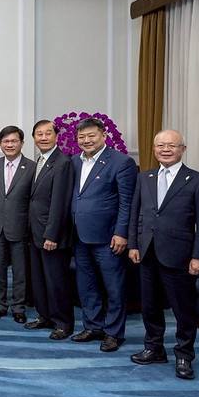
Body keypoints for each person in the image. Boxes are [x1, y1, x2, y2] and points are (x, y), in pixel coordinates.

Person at [128, 130, 199, 380]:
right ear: (154, 149)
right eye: (160, 145)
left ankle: (184, 355)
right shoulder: (144, 178)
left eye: (171, 145)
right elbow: (137, 215)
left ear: (182, 149)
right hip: (147, 253)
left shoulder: (198, 181)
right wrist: (133, 244)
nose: (165, 149)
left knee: (183, 309)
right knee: (150, 306)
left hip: (180, 255)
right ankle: (154, 348)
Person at [70, 117, 136, 352]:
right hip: (79, 236)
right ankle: (93, 326)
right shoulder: (75, 162)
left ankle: (114, 333)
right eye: (82, 137)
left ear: (103, 135)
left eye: (91, 136)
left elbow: (127, 203)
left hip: (108, 238)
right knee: (86, 285)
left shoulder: (121, 162)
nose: (86, 140)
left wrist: (121, 233)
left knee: (114, 287)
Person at [26, 119, 75, 340]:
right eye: (39, 134)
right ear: (34, 138)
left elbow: (60, 202)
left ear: (56, 136)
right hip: (34, 232)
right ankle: (44, 315)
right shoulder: (40, 160)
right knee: (39, 279)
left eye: (47, 134)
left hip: (50, 234)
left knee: (56, 280)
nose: (43, 138)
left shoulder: (63, 162)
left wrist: (51, 234)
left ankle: (63, 323)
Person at [0, 125, 34, 324]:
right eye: (6, 141)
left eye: (14, 141)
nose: (10, 144)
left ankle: (19, 307)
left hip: (21, 227)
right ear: (0, 144)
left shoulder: (32, 167)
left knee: (20, 270)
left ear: (22, 143)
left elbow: (34, 200)